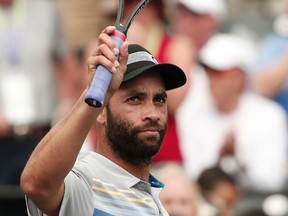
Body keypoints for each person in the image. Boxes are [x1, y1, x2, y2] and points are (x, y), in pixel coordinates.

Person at [20, 26, 187, 215]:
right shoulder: (83, 183)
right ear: (100, 112)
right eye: (134, 99)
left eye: (159, 100)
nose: (153, 113)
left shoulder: (158, 202)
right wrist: (94, 97)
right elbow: (36, 184)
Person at [176, 33, 288, 192]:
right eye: (208, 71)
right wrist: (221, 158)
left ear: (240, 77)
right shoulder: (189, 114)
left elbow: (273, 180)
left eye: (220, 72)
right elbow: (192, 173)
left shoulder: (271, 115)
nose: (211, 79)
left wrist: (238, 159)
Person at [0, 0, 76, 214]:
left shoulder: (45, 9)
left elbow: (64, 60)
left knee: (43, 206)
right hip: (2, 137)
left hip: (39, 135)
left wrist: (66, 106)